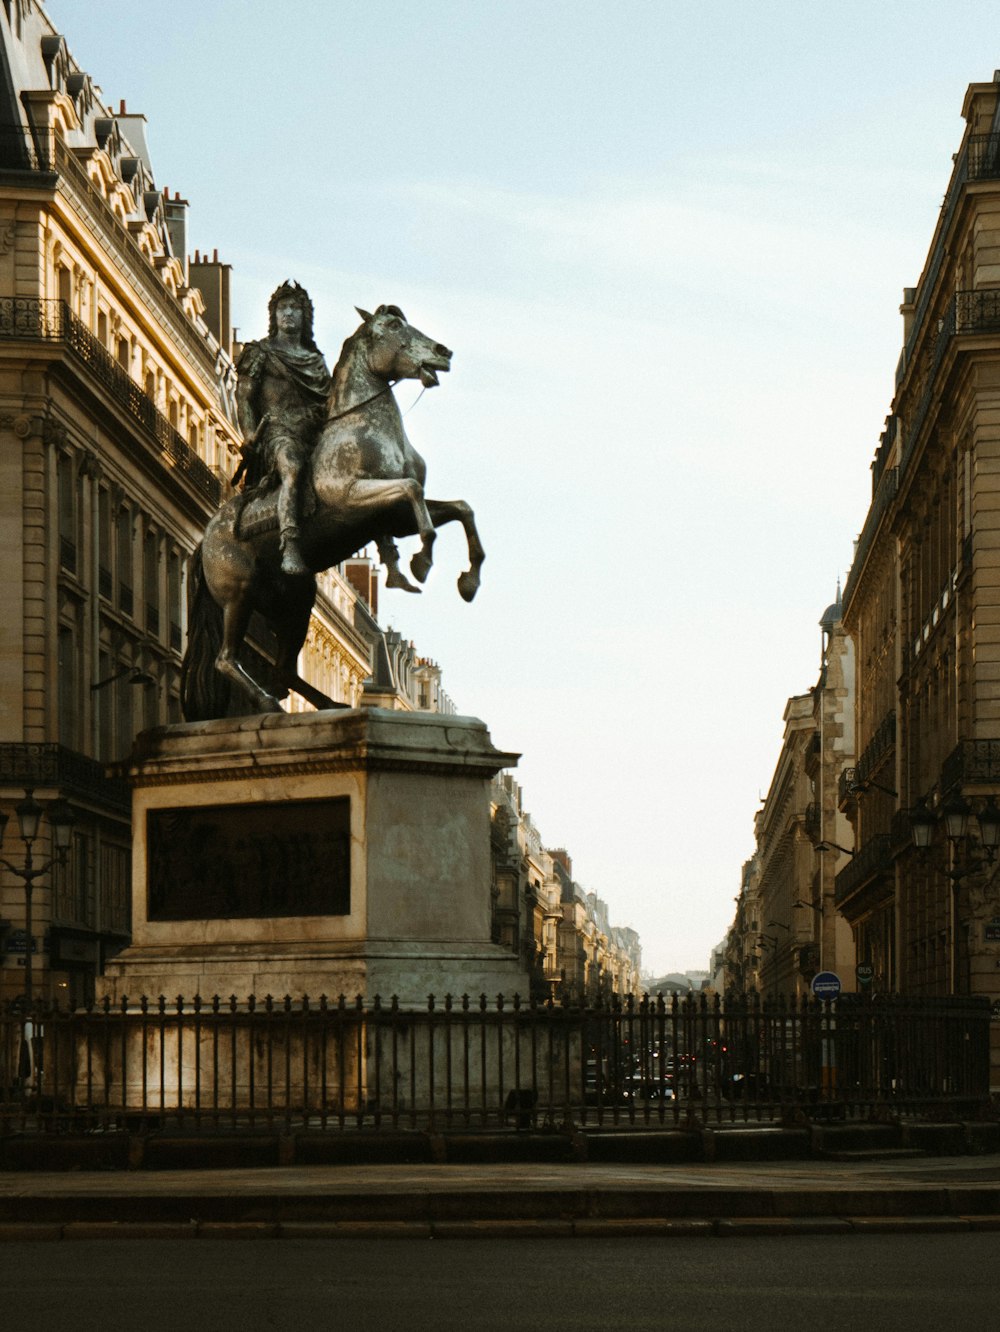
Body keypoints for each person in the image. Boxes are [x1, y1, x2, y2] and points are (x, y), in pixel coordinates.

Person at [234, 280, 330, 575]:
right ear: (273, 316)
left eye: (294, 308)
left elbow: (328, 399)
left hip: (312, 433)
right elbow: (244, 396)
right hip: (277, 432)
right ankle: (289, 543)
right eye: (282, 308)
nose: (288, 313)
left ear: (305, 316)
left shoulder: (316, 361)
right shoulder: (261, 352)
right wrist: (249, 433)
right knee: (292, 466)